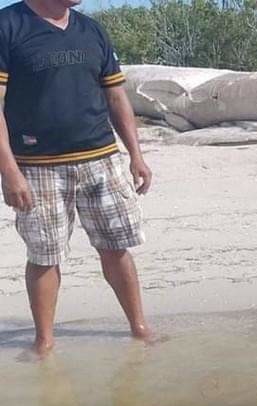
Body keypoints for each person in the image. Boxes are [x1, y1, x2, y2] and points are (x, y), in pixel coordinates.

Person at [0, 0, 153, 357]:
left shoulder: (91, 29)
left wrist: (136, 154)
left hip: (101, 159)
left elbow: (115, 95)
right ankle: (44, 342)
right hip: (37, 166)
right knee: (44, 253)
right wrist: (9, 172)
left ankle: (139, 328)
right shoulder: (8, 26)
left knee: (117, 246)